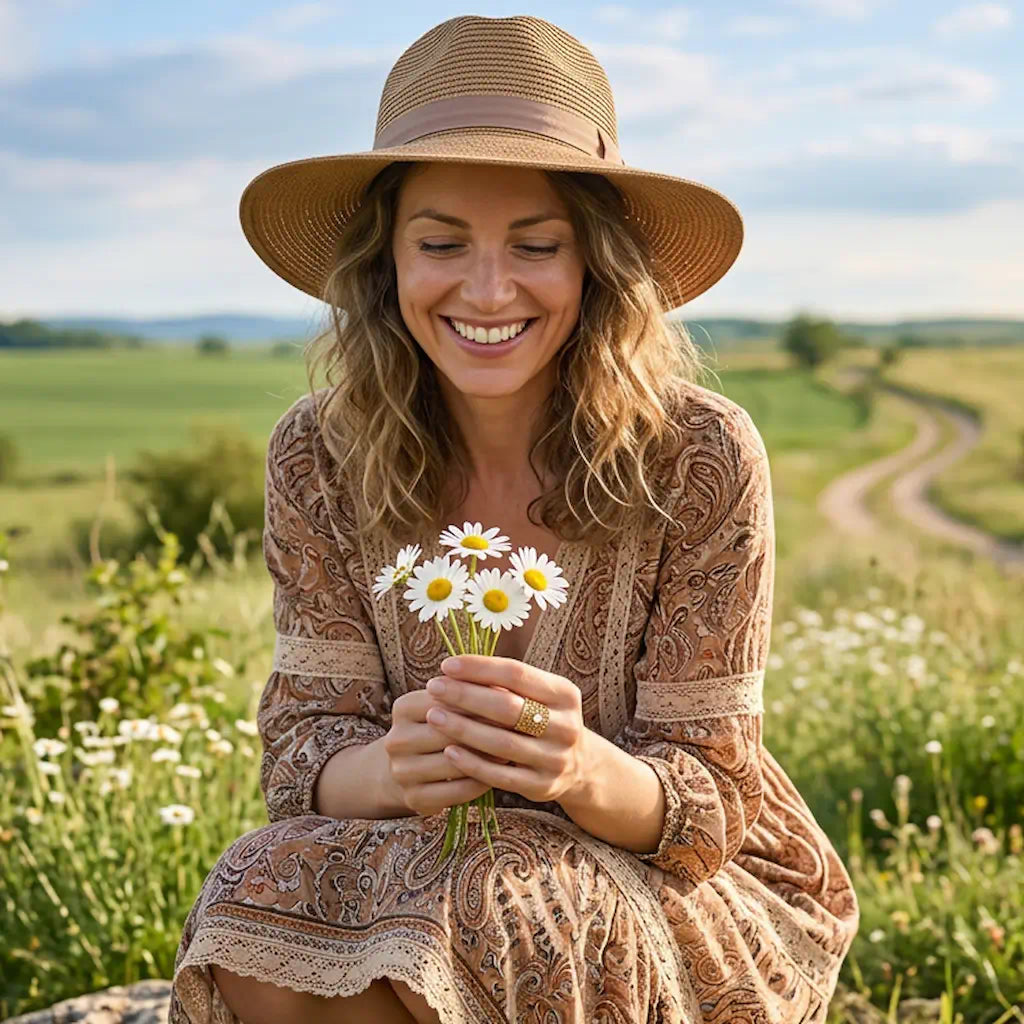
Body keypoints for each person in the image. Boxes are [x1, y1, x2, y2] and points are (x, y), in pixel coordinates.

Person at [169, 14, 859, 1024]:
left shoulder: (699, 455)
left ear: (595, 266)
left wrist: (577, 765)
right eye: (440, 243)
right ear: (385, 263)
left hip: (670, 875)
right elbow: (302, 763)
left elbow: (707, 810)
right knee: (250, 894)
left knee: (494, 907)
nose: (486, 290)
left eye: (536, 245)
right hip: (417, 851)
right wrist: (396, 765)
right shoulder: (317, 453)